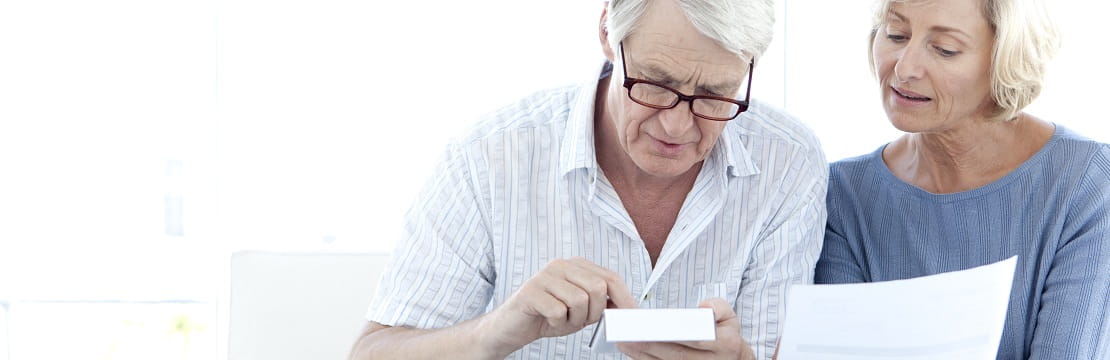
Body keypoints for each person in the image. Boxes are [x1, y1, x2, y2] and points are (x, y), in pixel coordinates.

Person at [348, 0, 827, 359]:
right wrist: (496, 331)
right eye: (655, 84)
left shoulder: (788, 163)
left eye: (715, 94)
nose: (677, 126)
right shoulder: (490, 157)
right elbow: (372, 352)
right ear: (606, 33)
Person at [814, 0, 1110, 358]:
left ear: (1006, 61)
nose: (904, 68)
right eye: (896, 34)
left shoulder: (1087, 183)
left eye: (944, 49)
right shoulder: (843, 194)